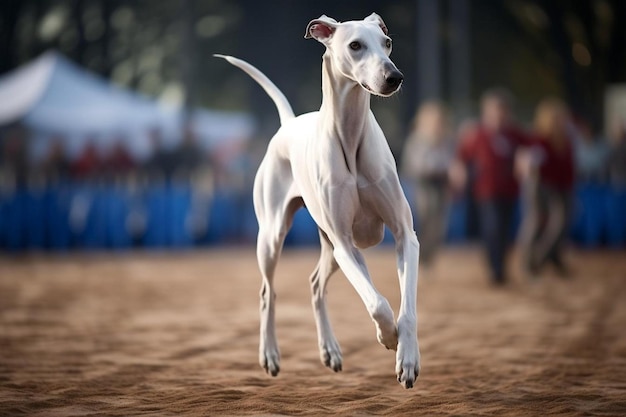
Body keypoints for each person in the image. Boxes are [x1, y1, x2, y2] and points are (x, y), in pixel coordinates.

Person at [451, 88, 530, 285]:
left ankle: (500, 266)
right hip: (486, 190)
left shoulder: (515, 134)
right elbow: (461, 155)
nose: (498, 115)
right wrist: (459, 171)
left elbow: (531, 148)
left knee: (504, 230)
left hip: (510, 189)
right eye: (493, 111)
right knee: (492, 228)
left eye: (501, 110)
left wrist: (525, 158)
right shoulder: (477, 134)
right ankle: (496, 270)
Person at [518, 98, 575, 277]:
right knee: (536, 222)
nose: (561, 122)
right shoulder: (538, 140)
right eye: (556, 118)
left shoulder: (566, 141)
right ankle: (530, 262)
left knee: (562, 224)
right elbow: (529, 165)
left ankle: (549, 257)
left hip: (563, 187)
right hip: (542, 186)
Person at [401, 101, 455, 265]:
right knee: (424, 219)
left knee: (439, 223)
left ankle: (428, 256)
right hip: (422, 184)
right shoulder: (417, 139)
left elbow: (452, 161)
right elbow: (414, 165)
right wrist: (436, 166)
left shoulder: (447, 140)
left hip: (441, 184)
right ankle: (419, 256)